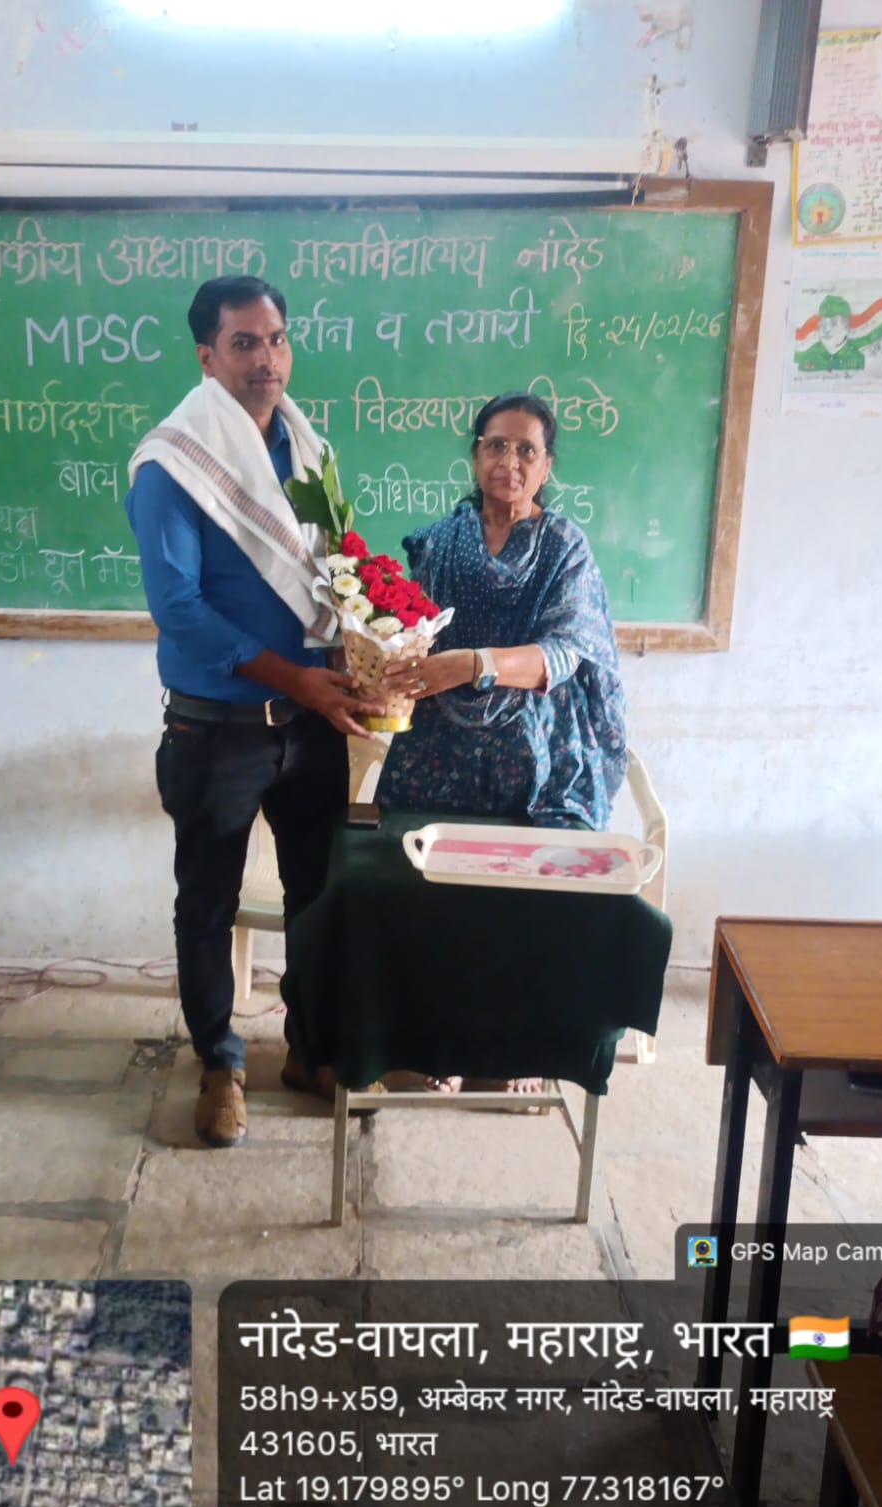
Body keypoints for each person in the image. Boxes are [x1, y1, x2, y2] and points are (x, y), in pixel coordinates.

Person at [126, 275, 383, 1150]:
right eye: (243, 343)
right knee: (209, 903)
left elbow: (329, 575)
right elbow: (181, 611)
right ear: (207, 356)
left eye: (275, 340)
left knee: (317, 895)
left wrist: (355, 655)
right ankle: (220, 1062)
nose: (265, 359)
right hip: (217, 730)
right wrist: (296, 681)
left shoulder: (306, 450)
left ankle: (309, 1051)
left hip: (312, 727)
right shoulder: (173, 464)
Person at [376, 391, 627, 1095]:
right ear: (474, 454)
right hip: (441, 745)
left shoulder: (564, 547)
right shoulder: (437, 542)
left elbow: (568, 651)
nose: (508, 461)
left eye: (526, 450)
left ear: (546, 466)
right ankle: (441, 1043)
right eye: (495, 445)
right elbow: (410, 632)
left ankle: (524, 1047)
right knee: (431, 892)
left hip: (540, 753)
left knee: (530, 896)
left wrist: (472, 665)